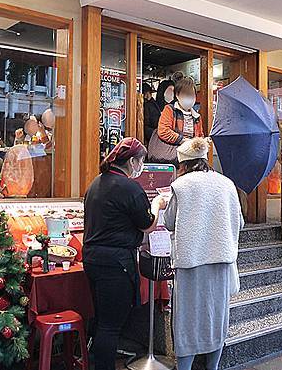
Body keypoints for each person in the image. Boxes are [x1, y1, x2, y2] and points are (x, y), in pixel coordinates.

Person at [83, 138, 166, 370]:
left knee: (101, 320)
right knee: (110, 326)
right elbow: (147, 223)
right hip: (115, 264)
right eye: (141, 161)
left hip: (92, 259)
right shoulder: (129, 188)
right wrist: (158, 204)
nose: (141, 166)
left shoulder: (96, 184)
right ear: (131, 161)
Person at [163, 137, 243, 370]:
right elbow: (239, 222)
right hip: (221, 260)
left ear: (184, 165)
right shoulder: (227, 184)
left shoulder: (181, 185)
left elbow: (169, 222)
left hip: (191, 262)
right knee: (217, 317)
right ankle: (213, 366)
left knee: (187, 320)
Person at [157, 77, 204, 147]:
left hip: (192, 153)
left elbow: (200, 135)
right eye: (186, 94)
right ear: (177, 95)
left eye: (191, 94)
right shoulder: (170, 109)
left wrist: (202, 142)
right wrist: (184, 141)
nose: (189, 97)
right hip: (174, 153)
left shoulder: (196, 116)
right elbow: (163, 131)